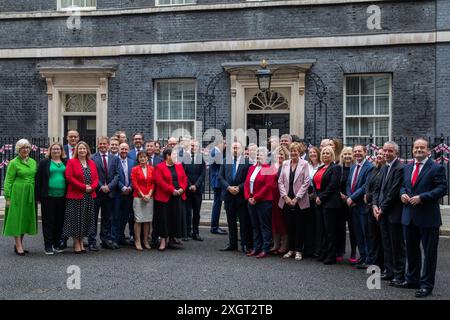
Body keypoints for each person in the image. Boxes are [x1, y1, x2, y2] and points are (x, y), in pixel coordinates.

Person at [400, 138, 447, 298]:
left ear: (428, 151)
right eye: (416, 148)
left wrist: (422, 197)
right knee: (411, 251)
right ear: (412, 150)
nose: (419, 150)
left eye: (422, 148)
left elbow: (442, 188)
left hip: (428, 217)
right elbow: (403, 186)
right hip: (409, 216)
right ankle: (412, 279)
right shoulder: (406, 168)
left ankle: (427, 285)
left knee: (429, 254)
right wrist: (403, 194)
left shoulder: (436, 167)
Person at [373, 141, 406, 287]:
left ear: (396, 153)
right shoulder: (384, 167)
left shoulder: (399, 168)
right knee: (386, 243)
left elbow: (393, 192)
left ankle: (399, 275)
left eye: (390, 151)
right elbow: (377, 188)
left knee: (396, 245)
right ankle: (390, 271)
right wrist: (374, 205)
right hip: (381, 211)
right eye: (385, 150)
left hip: (392, 212)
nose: (386, 153)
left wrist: (382, 209)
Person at [62, 141, 99, 254]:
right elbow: (69, 177)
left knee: (85, 220)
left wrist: (92, 187)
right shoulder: (72, 162)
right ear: (76, 151)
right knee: (75, 220)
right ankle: (76, 243)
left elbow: (96, 178)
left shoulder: (91, 163)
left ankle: (82, 242)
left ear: (87, 150)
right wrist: (83, 187)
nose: (82, 150)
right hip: (75, 196)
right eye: (80, 149)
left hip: (89, 196)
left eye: (84, 148)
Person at [3, 139, 38, 256]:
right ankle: (18, 245)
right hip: (17, 193)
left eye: (27, 147)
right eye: (22, 148)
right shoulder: (13, 163)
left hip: (29, 192)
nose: (25, 150)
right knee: (17, 218)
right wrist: (8, 197)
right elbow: (8, 181)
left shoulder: (33, 162)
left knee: (24, 218)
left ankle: (20, 244)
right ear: (18, 149)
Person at [278, 142, 311, 261]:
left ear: (300, 152)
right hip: (286, 200)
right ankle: (290, 249)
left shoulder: (305, 164)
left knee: (299, 226)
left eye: (295, 151)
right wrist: (285, 197)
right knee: (289, 226)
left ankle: (298, 250)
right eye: (291, 151)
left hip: (299, 201)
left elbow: (306, 182)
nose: (293, 153)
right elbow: (280, 181)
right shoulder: (286, 164)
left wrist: (296, 198)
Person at [218, 141, 252, 253]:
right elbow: (220, 177)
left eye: (237, 148)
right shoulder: (225, 161)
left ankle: (245, 244)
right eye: (233, 148)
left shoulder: (247, 163)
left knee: (243, 222)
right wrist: (228, 188)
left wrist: (238, 188)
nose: (235, 150)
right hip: (228, 196)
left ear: (241, 150)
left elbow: (248, 180)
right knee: (230, 222)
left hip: (240, 196)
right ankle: (232, 244)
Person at [35, 142, 68, 255]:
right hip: (48, 196)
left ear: (61, 151)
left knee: (59, 221)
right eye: (54, 149)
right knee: (48, 222)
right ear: (50, 151)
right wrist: (38, 196)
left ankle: (56, 244)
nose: (56, 151)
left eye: (58, 149)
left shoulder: (65, 162)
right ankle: (48, 245)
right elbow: (38, 179)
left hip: (63, 196)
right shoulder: (44, 162)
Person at [153, 148, 188, 251]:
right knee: (164, 219)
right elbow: (159, 181)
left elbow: (184, 178)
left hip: (177, 196)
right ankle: (163, 241)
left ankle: (172, 240)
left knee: (175, 218)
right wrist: (172, 190)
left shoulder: (179, 165)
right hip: (165, 197)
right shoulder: (159, 167)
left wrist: (182, 189)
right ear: (167, 156)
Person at [89, 136, 120, 251]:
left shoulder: (114, 158)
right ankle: (92, 241)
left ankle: (105, 240)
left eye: (104, 144)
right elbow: (92, 175)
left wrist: (109, 186)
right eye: (100, 144)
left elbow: (117, 175)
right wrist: (101, 186)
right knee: (93, 218)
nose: (102, 146)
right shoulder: (92, 158)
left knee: (107, 218)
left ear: (108, 145)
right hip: (97, 192)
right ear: (98, 145)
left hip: (109, 193)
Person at [313, 146, 342, 265]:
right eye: (324, 153)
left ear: (332, 155)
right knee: (322, 229)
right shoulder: (320, 167)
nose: (325, 155)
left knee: (330, 230)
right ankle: (323, 252)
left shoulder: (336, 168)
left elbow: (333, 185)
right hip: (320, 202)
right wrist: (316, 196)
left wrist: (321, 197)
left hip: (330, 203)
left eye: (328, 153)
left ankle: (331, 255)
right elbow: (314, 183)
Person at [346, 145, 374, 268]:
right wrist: (349, 197)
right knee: (357, 232)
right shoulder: (353, 167)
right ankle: (362, 256)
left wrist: (352, 198)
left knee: (366, 232)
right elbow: (348, 184)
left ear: (365, 152)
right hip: (353, 206)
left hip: (362, 205)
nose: (357, 153)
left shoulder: (370, 167)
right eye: (355, 151)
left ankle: (369, 258)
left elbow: (365, 186)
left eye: (359, 151)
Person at [244, 147, 275, 259]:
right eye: (257, 153)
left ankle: (265, 249)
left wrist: (256, 198)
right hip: (251, 201)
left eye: (261, 154)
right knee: (255, 226)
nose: (258, 155)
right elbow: (247, 184)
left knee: (264, 225)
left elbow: (268, 186)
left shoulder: (269, 168)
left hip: (264, 201)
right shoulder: (252, 168)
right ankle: (256, 248)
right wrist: (248, 197)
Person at [364, 148, 386, 270]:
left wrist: (371, 199)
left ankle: (380, 264)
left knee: (380, 238)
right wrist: (366, 195)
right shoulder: (373, 169)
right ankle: (374, 261)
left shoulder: (385, 170)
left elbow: (380, 188)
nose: (379, 156)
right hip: (369, 207)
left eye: (382, 154)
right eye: (378, 154)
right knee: (372, 236)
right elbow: (368, 185)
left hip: (378, 207)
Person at [337, 147, 357, 264]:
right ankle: (340, 251)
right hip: (340, 202)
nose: (347, 156)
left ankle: (354, 251)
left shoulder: (355, 168)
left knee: (353, 228)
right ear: (342, 156)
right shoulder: (338, 169)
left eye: (350, 154)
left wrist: (350, 197)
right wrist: (341, 195)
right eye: (345, 154)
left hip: (352, 202)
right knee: (340, 228)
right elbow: (335, 184)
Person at [131, 151, 155, 251]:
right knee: (138, 220)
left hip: (149, 197)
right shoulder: (135, 169)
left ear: (147, 158)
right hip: (138, 197)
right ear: (138, 159)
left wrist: (149, 194)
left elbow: (154, 182)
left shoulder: (152, 169)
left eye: (144, 157)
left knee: (147, 220)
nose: (143, 159)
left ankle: (145, 240)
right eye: (141, 157)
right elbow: (134, 183)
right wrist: (142, 194)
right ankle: (137, 241)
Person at [183, 139, 206, 241]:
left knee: (196, 212)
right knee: (187, 212)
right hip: (188, 189)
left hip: (198, 190)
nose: (193, 147)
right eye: (192, 145)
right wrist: (189, 185)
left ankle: (195, 233)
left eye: (195, 146)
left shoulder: (202, 159)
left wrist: (196, 185)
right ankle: (187, 232)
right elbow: (184, 174)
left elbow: (203, 174)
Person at [114, 143, 135, 247]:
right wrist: (122, 187)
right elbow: (114, 176)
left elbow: (134, 177)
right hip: (118, 193)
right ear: (118, 149)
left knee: (125, 216)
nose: (124, 151)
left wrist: (130, 187)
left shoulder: (132, 161)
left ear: (128, 150)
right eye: (122, 149)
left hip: (129, 193)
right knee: (116, 216)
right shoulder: (114, 161)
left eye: (126, 149)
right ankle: (115, 238)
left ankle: (121, 236)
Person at [270, 146, 289, 255]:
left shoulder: (287, 166)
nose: (280, 156)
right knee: (274, 220)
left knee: (282, 221)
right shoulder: (272, 166)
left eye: (282, 154)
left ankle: (284, 245)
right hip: (272, 196)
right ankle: (276, 244)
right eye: (278, 154)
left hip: (282, 195)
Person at [209, 139, 227, 235]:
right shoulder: (215, 151)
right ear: (219, 143)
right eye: (224, 143)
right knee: (217, 204)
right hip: (217, 181)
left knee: (218, 204)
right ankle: (214, 227)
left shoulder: (217, 151)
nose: (225, 145)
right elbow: (223, 164)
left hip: (217, 181)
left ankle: (215, 226)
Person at [308, 146, 322, 257]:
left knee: (318, 224)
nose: (312, 154)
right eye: (311, 152)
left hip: (317, 196)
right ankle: (309, 248)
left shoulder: (321, 166)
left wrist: (315, 194)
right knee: (309, 223)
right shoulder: (307, 166)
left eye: (314, 152)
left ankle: (318, 249)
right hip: (306, 196)